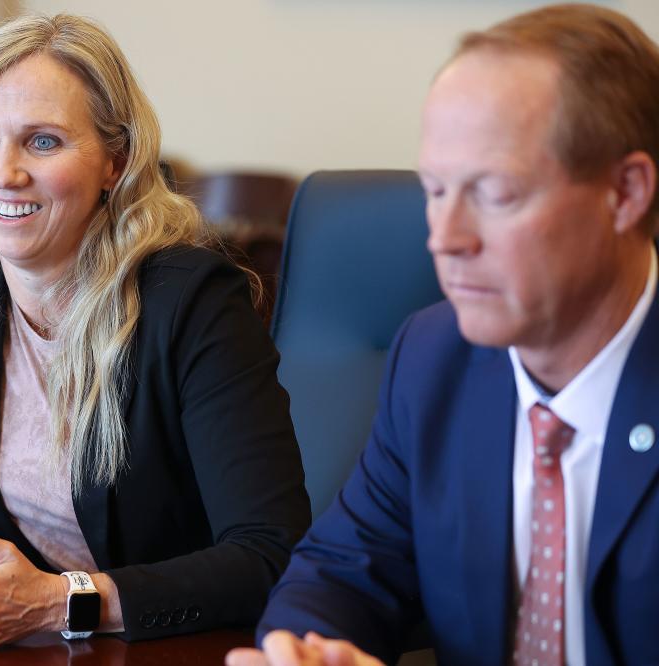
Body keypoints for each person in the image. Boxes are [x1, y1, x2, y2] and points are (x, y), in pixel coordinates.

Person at [0, 13, 310, 649]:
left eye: (43, 142)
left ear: (114, 162)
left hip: (171, 651)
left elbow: (269, 553)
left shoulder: (190, 301)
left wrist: (59, 603)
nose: (4, 172)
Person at [228, 4, 659, 665]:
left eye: (494, 193)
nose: (444, 239)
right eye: (434, 190)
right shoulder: (433, 357)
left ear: (625, 193)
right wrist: (312, 652)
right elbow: (342, 569)